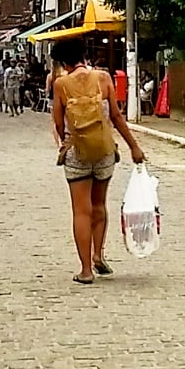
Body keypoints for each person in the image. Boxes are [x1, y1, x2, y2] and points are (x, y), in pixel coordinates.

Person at [51, 38, 144, 284]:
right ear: (83, 55)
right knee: (99, 205)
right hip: (104, 151)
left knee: (81, 211)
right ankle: (98, 255)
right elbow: (116, 116)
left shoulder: (61, 84)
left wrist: (64, 140)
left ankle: (85, 270)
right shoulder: (103, 79)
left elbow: (58, 123)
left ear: (63, 62)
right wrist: (134, 146)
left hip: (77, 154)